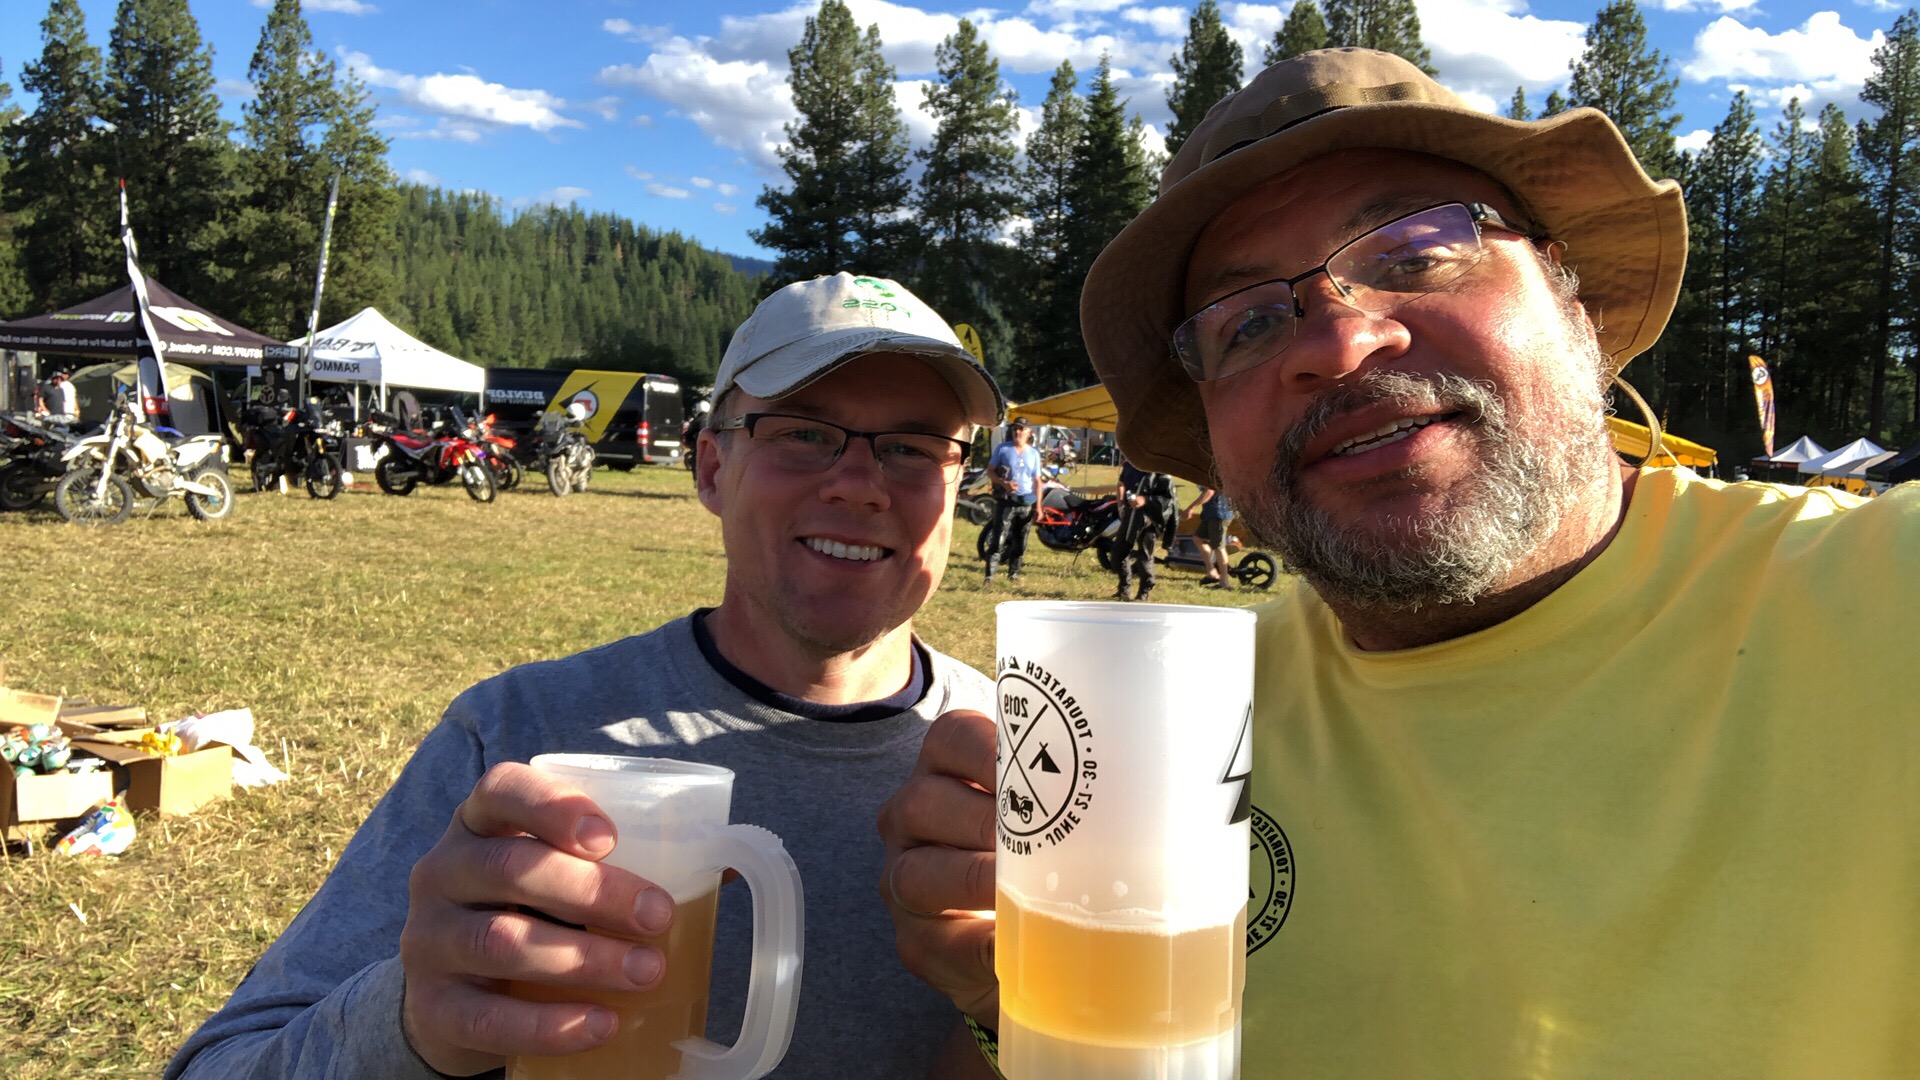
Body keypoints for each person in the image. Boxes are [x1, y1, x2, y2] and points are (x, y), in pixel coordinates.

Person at [877, 48, 1919, 1078]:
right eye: (1247, 323)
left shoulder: (1879, 592)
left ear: (1572, 300)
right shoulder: (1179, 718)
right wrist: (1020, 1011)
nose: (1337, 343)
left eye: (1418, 252)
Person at [167, 271, 1007, 1080]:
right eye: (804, 433)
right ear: (712, 468)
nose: (860, 485)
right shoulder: (522, 734)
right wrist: (417, 1025)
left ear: (957, 485)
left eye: (913, 448)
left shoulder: (1027, 767)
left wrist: (1017, 1021)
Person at [981, 417, 1042, 584]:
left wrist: (1038, 506)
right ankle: (989, 577)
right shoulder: (1003, 449)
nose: (1017, 432)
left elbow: (1037, 480)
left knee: (1021, 542)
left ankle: (1013, 574)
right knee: (998, 540)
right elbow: (990, 471)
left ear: (1029, 433)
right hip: (1007, 501)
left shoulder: (1034, 454)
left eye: (1021, 429)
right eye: (1015, 429)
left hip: (1026, 502)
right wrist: (1003, 483)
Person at [1111, 454, 1175, 601]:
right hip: (1130, 515)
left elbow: (1167, 499)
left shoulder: (1159, 469)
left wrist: (1145, 500)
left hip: (1150, 517)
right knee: (1118, 552)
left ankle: (1144, 592)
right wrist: (1120, 503)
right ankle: (1124, 587)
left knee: (1145, 555)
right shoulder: (1129, 463)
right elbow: (1121, 483)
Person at [1183, 486, 1234, 588]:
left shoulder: (1208, 476)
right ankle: (1212, 572)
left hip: (1219, 513)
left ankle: (1224, 582)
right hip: (1210, 513)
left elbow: (1209, 492)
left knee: (1218, 547)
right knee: (1198, 538)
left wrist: (1191, 508)